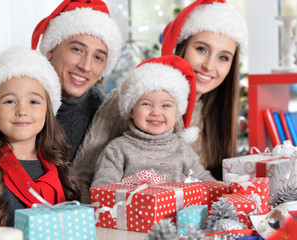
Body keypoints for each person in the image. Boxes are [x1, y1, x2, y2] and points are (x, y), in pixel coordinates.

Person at [0, 0, 121, 236]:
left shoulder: (100, 108)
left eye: (98, 57)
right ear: (51, 48)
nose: (85, 65)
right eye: (77, 49)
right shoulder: (1, 93)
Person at [73, 0, 248, 203]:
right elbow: (82, 178)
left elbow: (204, 181)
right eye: (201, 49)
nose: (209, 66)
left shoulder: (217, 111)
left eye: (223, 58)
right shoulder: (130, 99)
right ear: (181, 46)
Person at [0, 47, 80, 240]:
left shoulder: (64, 171)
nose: (22, 110)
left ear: (48, 111)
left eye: (34, 102)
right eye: (10, 101)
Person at [91, 55, 216, 187]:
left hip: (177, 207)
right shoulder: (117, 150)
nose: (156, 112)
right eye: (146, 104)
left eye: (166, 106)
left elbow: (204, 179)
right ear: (132, 111)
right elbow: (103, 187)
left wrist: (223, 192)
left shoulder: (183, 150)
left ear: (177, 113)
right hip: (131, 207)